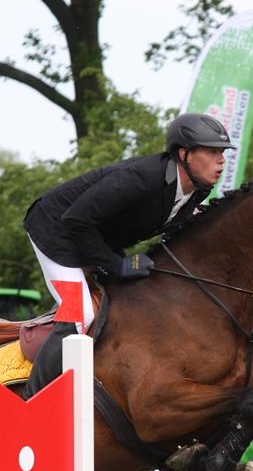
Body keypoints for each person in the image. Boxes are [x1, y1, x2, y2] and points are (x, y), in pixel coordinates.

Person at [21, 113, 236, 398]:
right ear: (184, 154)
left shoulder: (198, 190)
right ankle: (32, 401)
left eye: (222, 153)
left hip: (95, 238)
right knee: (79, 313)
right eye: (212, 152)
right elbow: (76, 220)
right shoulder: (142, 178)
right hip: (55, 231)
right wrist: (117, 264)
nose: (221, 161)